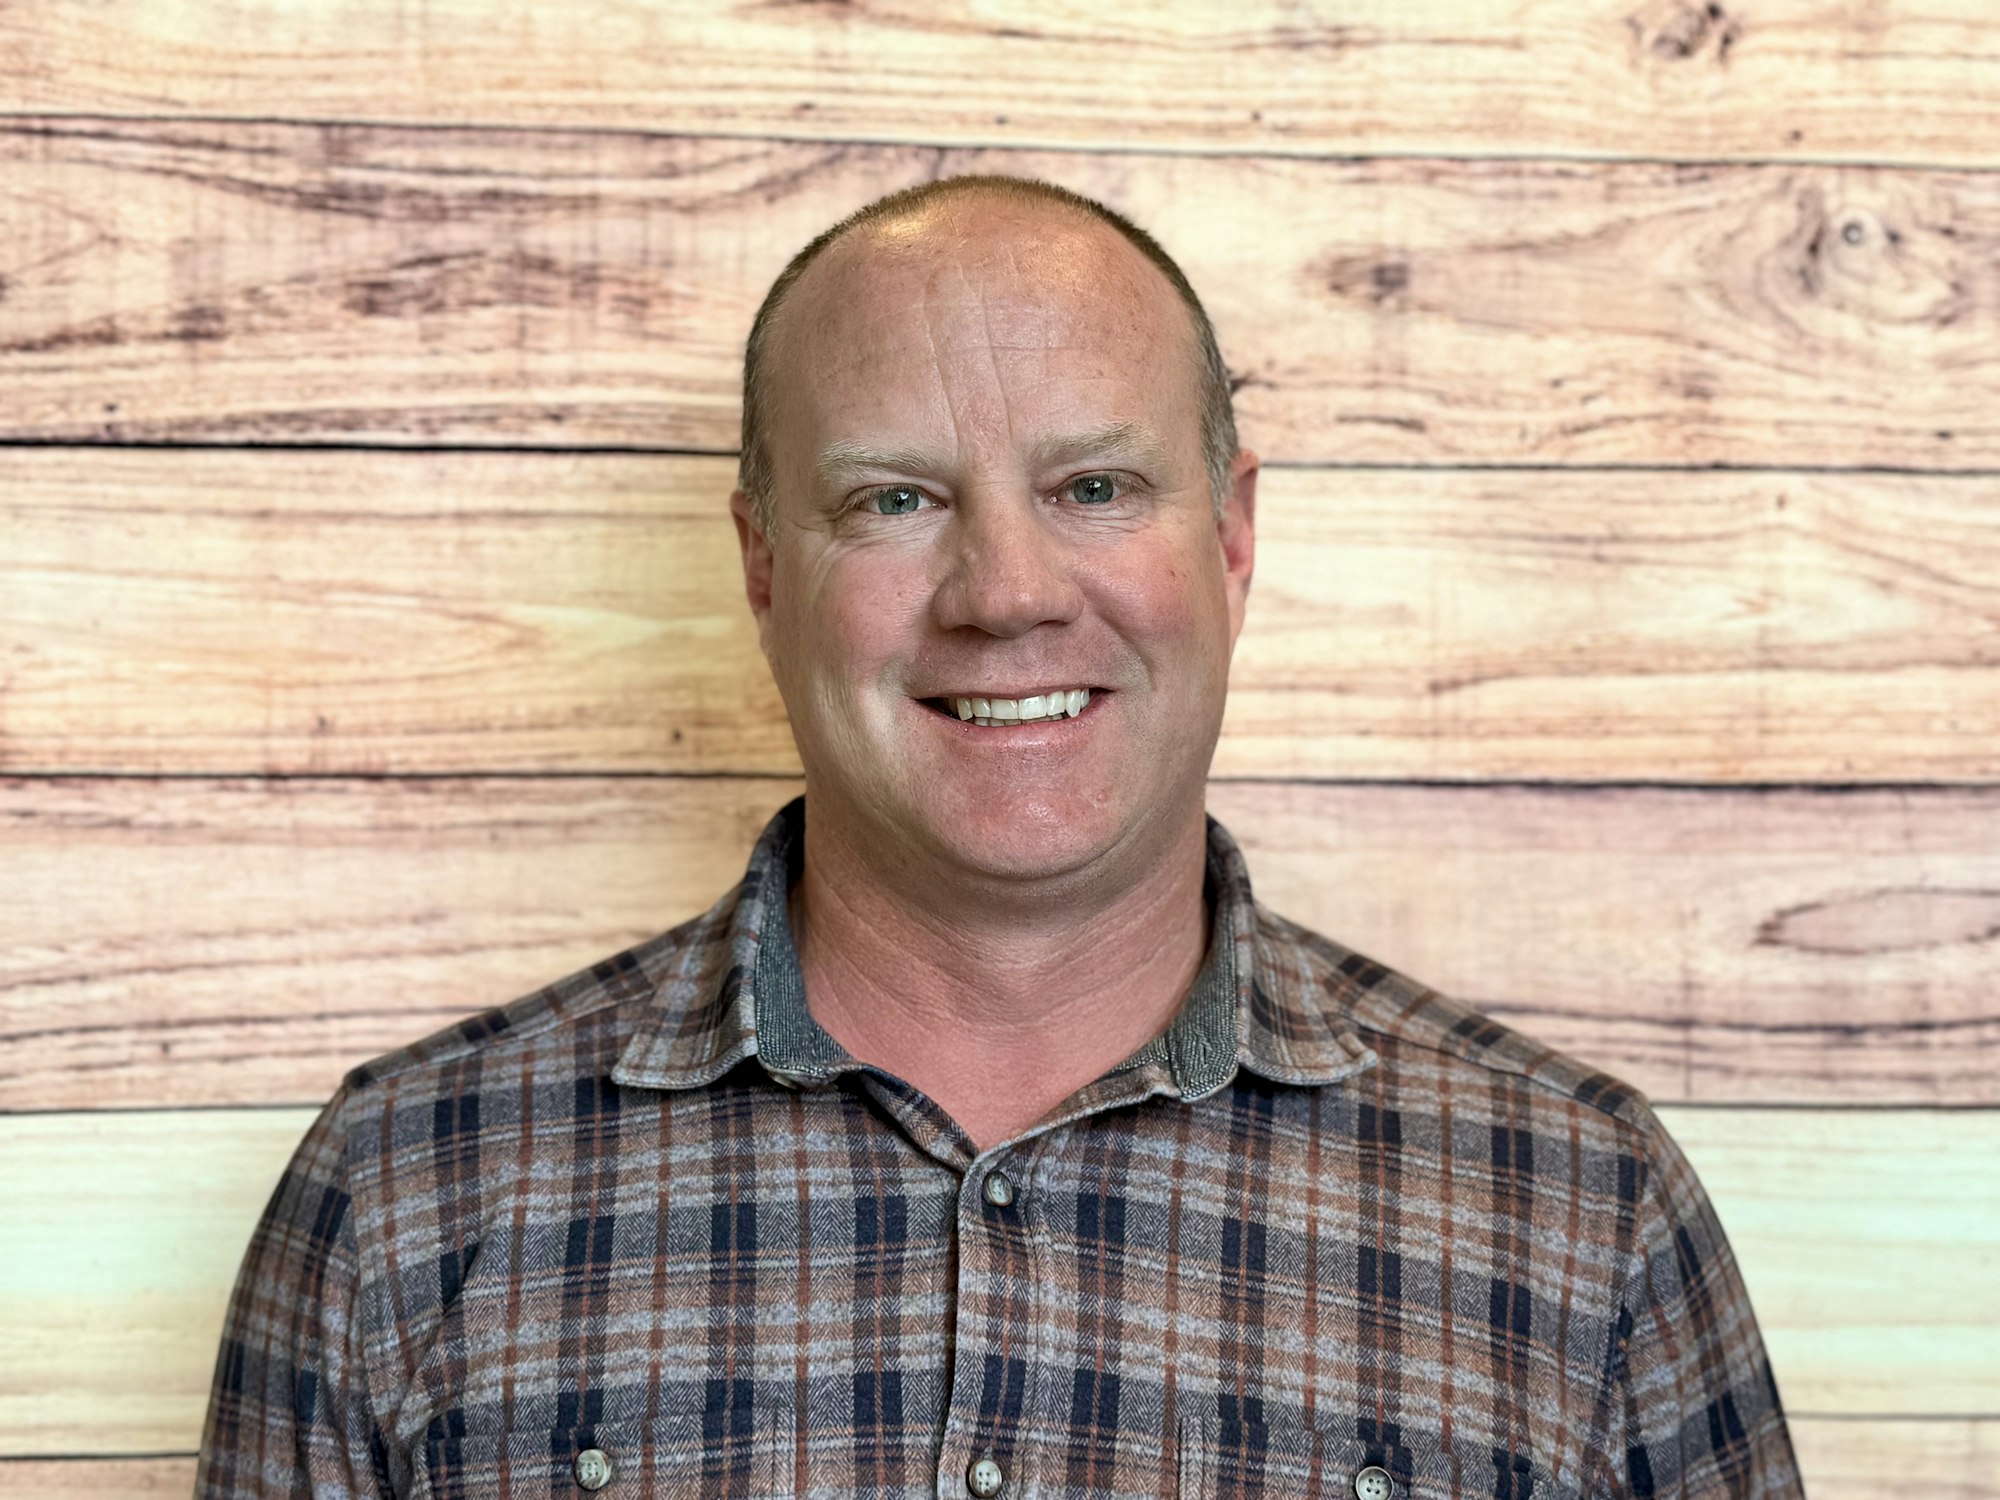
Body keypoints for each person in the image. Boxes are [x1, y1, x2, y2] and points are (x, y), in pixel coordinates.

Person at [194, 175, 1802, 1499]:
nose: (1010, 592)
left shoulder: (1577, 1214)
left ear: (1232, 535)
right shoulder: (408, 1200)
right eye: (895, 500)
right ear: (764, 566)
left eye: (1096, 486)